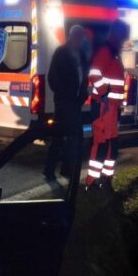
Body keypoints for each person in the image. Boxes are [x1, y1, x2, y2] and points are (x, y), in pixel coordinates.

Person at [85, 20, 130, 190]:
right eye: (123, 36)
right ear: (117, 34)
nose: (124, 40)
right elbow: (94, 73)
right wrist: (104, 92)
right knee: (100, 144)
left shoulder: (114, 53)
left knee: (111, 145)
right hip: (104, 107)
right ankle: (92, 181)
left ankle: (107, 177)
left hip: (111, 108)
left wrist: (118, 103)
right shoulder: (106, 51)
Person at [44, 25, 91, 181]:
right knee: (59, 137)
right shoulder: (61, 53)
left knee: (74, 138)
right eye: (77, 37)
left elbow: (84, 77)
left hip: (75, 103)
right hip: (63, 103)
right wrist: (63, 95)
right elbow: (52, 78)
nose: (79, 40)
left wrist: (83, 95)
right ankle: (49, 171)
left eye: (81, 37)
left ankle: (66, 169)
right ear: (71, 36)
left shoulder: (82, 55)